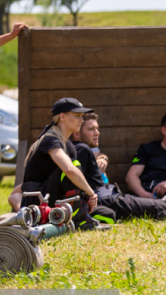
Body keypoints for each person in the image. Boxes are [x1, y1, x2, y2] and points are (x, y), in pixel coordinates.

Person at [19, 98, 114, 230]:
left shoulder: (69, 145)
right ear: (62, 117)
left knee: (108, 214)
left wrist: (87, 198)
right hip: (35, 202)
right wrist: (91, 193)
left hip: (51, 198)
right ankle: (80, 221)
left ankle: (79, 216)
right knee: (72, 166)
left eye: (81, 116)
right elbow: (69, 170)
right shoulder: (50, 139)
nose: (81, 120)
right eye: (77, 116)